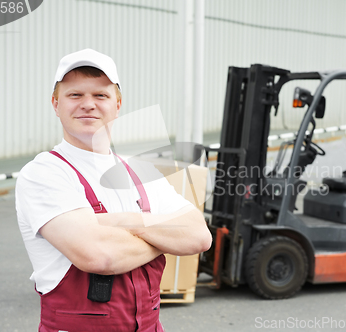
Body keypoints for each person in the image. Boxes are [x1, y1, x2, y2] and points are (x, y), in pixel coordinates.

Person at [15, 48, 212, 332]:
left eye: (100, 95)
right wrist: (164, 237)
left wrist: (118, 221)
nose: (88, 104)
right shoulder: (45, 173)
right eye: (75, 95)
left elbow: (197, 236)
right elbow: (98, 255)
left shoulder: (140, 170)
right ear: (55, 104)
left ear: (117, 105)